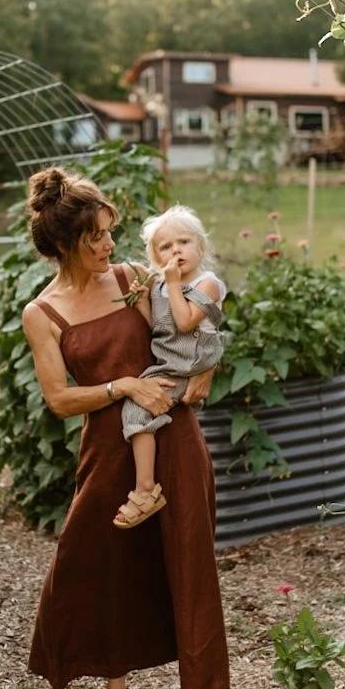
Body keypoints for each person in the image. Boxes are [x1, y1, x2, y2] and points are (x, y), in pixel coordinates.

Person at [21, 167, 229, 689]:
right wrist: (122, 386)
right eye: (95, 239)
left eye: (110, 233)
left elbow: (190, 326)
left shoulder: (132, 280)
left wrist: (206, 373)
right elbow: (59, 399)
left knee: (187, 571)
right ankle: (115, 684)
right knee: (106, 567)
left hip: (176, 442)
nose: (110, 247)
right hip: (109, 453)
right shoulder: (44, 313)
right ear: (63, 244)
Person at [113, 205, 225, 530]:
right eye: (165, 246)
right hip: (170, 362)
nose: (176, 250)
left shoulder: (208, 284)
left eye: (184, 242)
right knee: (137, 407)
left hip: (188, 363)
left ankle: (146, 490)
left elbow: (186, 322)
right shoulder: (162, 286)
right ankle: (146, 480)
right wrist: (145, 301)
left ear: (200, 247)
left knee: (136, 409)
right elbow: (159, 329)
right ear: (155, 256)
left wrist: (173, 284)